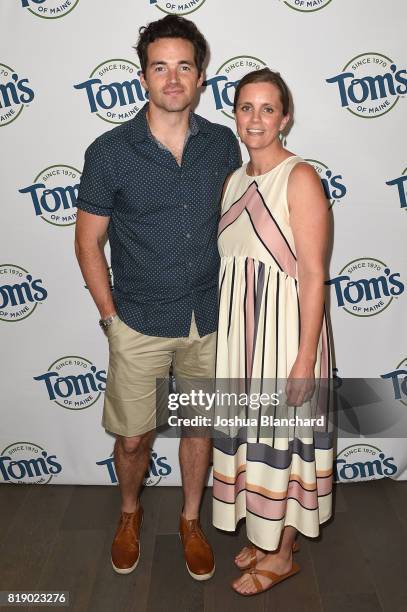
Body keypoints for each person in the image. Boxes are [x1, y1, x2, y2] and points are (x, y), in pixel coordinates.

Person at [74, 15, 240, 580]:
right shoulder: (110, 151)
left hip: (209, 317)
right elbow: (88, 240)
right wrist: (110, 319)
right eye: (160, 67)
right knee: (134, 435)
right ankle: (129, 512)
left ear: (200, 76)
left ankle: (191, 520)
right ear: (143, 76)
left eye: (184, 66)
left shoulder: (223, 145)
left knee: (199, 428)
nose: (173, 78)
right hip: (139, 320)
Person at [212, 68, 333, 596]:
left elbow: (312, 274)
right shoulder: (235, 180)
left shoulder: (300, 177)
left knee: (286, 438)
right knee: (255, 437)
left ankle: (282, 553)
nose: (255, 118)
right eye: (246, 107)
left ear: (285, 117)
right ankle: (266, 537)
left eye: (267, 109)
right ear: (235, 115)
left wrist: (304, 359)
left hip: (286, 335)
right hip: (243, 336)